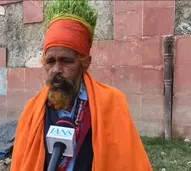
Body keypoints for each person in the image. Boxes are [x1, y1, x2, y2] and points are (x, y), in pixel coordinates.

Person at [10, 0, 153, 170]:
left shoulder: (112, 102)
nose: (56, 70)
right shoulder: (32, 111)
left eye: (66, 61)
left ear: (85, 63)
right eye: (50, 61)